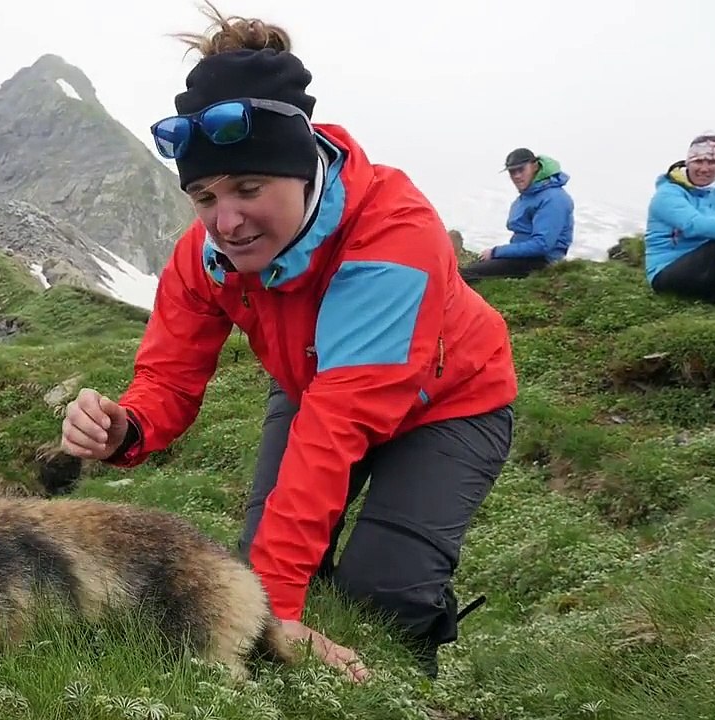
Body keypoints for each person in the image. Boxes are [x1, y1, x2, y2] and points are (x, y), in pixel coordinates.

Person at [58, 3, 518, 682]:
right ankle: (310, 648)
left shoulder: (393, 234)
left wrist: (270, 611)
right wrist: (127, 426)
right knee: (262, 575)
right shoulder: (202, 255)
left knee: (382, 592)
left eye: (249, 187)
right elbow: (170, 376)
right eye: (205, 196)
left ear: (303, 172)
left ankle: (400, 676)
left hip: (452, 401)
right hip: (313, 386)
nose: (228, 220)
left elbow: (340, 422)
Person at [643, 133, 715, 305]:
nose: (704, 168)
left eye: (712, 162)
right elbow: (696, 225)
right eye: (698, 161)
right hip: (668, 277)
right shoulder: (668, 194)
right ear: (688, 162)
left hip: (710, 278)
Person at [459, 148, 575, 283]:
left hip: (541, 261)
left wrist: (496, 252)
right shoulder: (530, 193)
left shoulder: (553, 198)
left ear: (535, 166)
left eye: (521, 170)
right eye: (512, 171)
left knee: (467, 275)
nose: (517, 176)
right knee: (470, 268)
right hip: (523, 256)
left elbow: (541, 245)